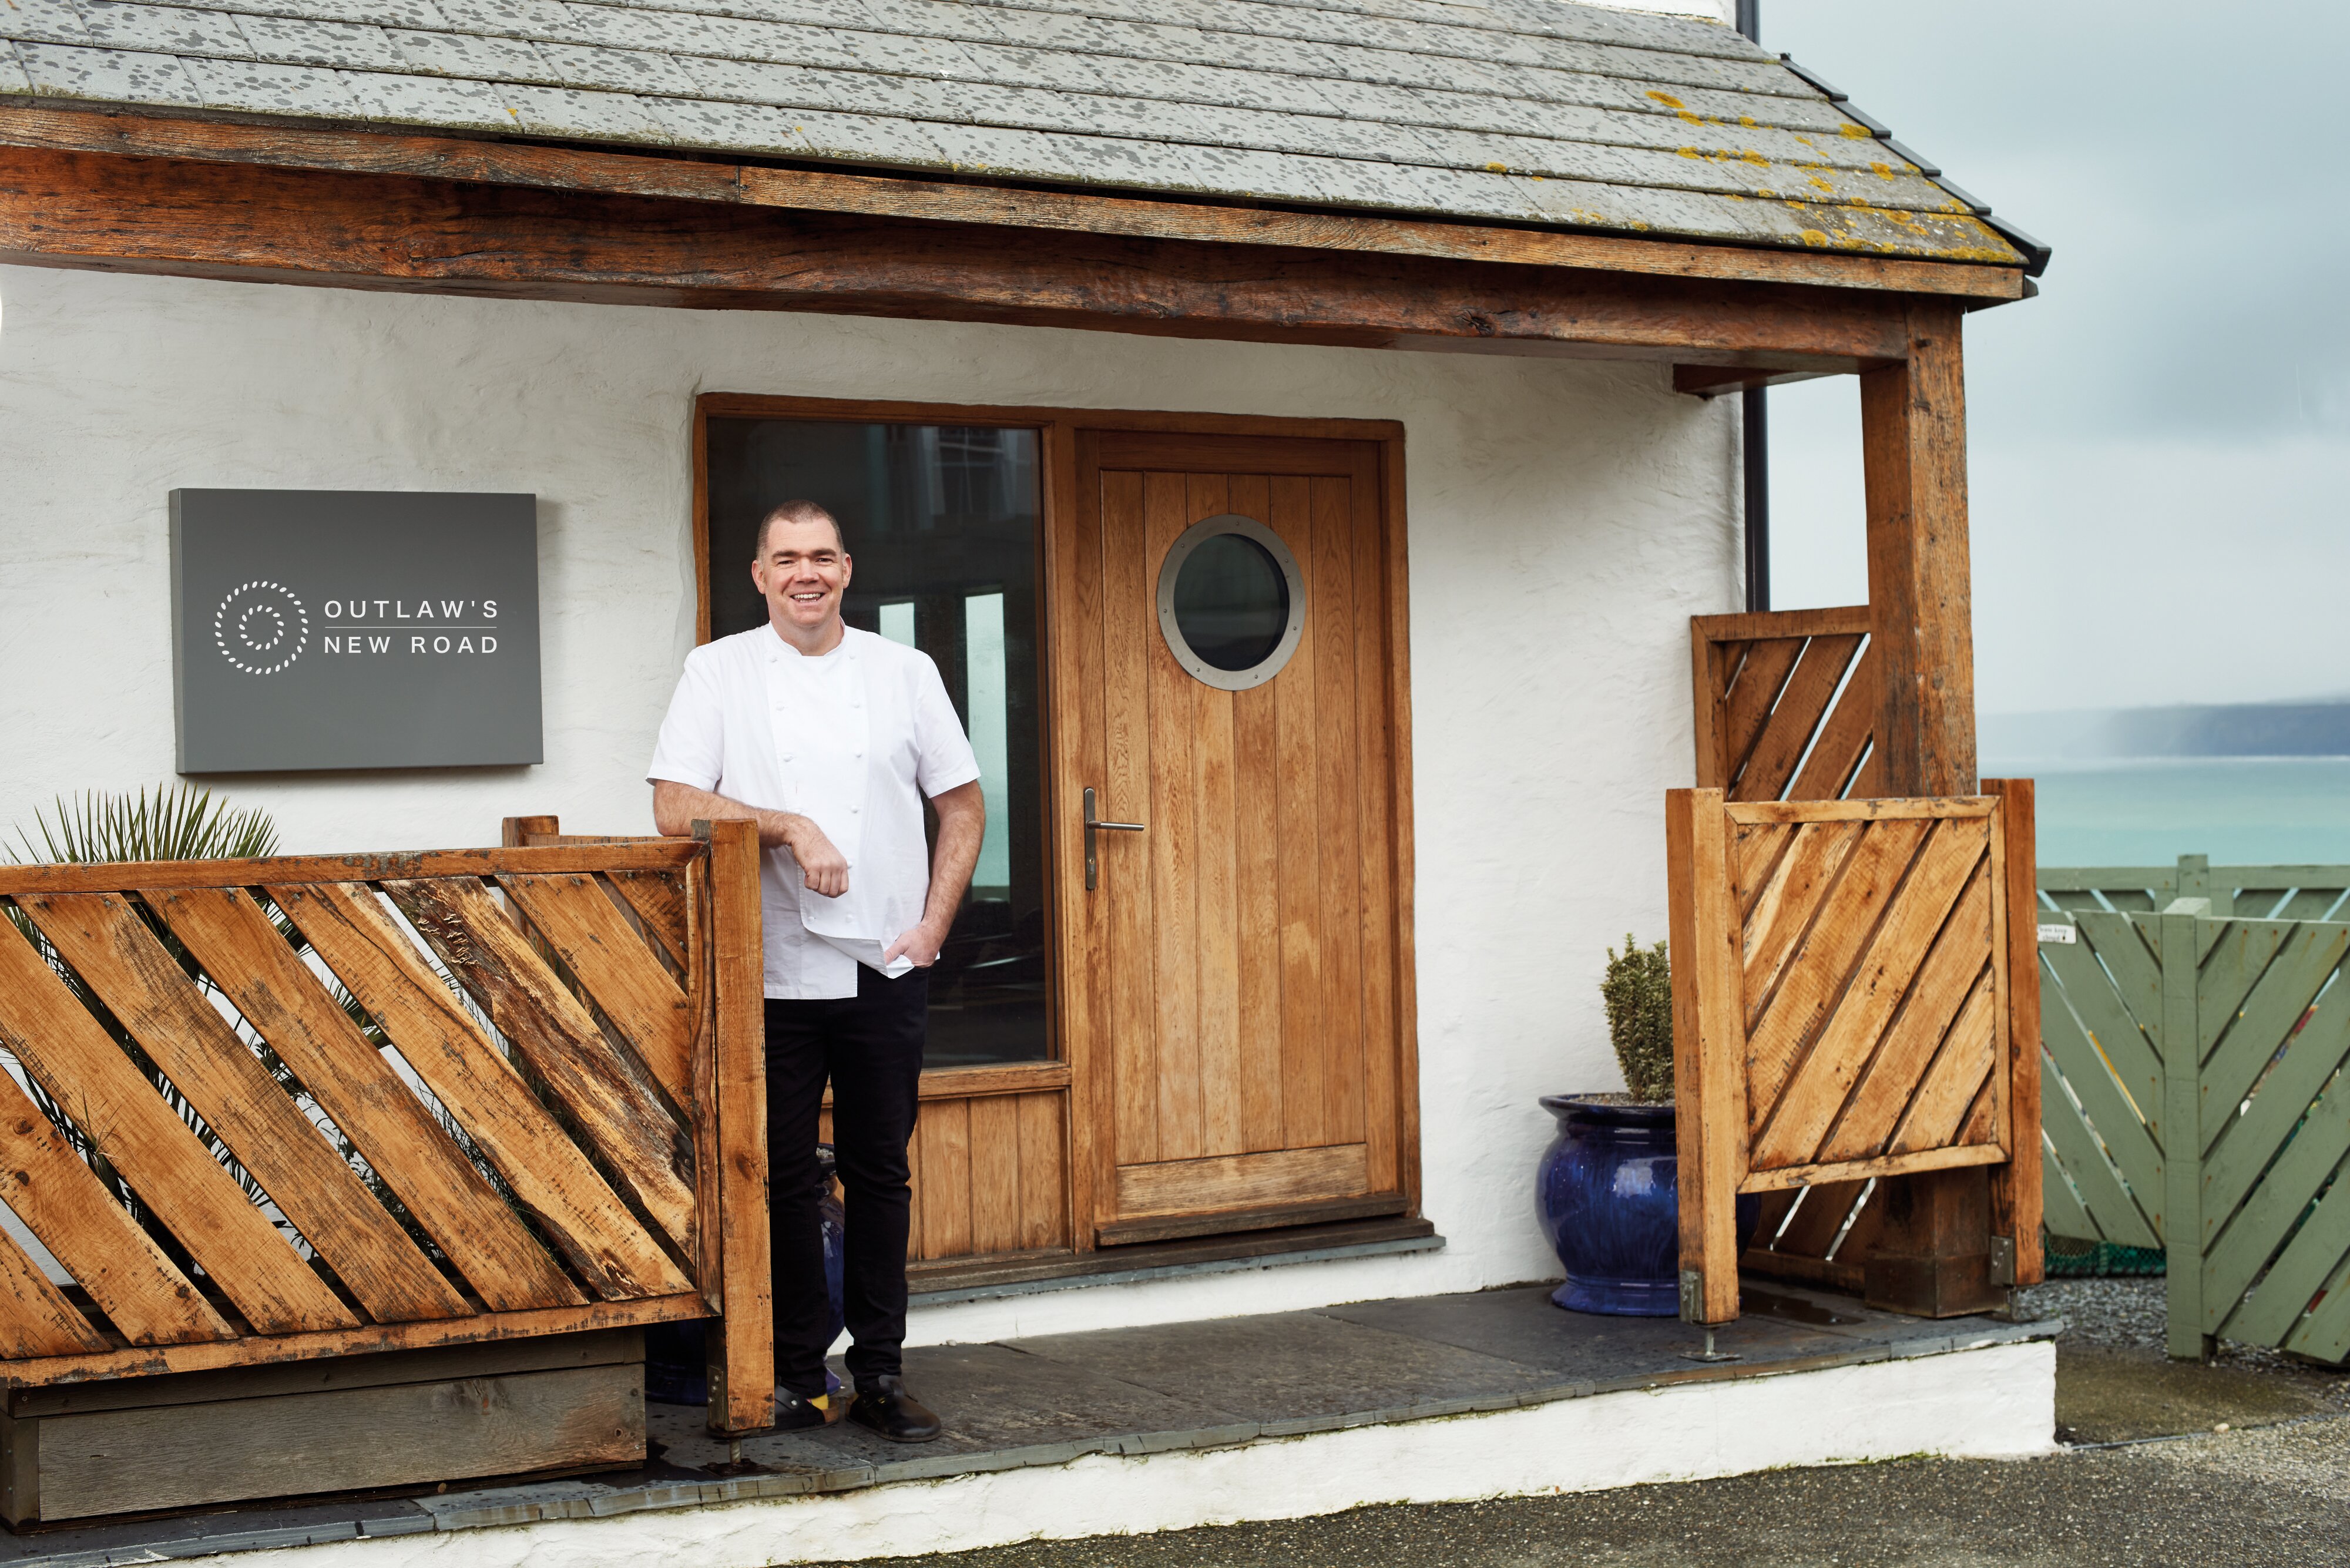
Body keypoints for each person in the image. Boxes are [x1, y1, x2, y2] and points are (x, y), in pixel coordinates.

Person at [647, 499, 983, 1443]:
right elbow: (674, 803)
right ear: (759, 575)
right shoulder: (717, 671)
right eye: (787, 557)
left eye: (823, 556)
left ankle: (878, 1370)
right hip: (775, 962)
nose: (807, 572)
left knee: (881, 1171)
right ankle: (797, 1371)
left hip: (886, 961)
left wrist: (932, 927)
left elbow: (962, 806)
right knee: (783, 1175)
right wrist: (789, 824)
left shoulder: (904, 671)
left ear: (847, 568)